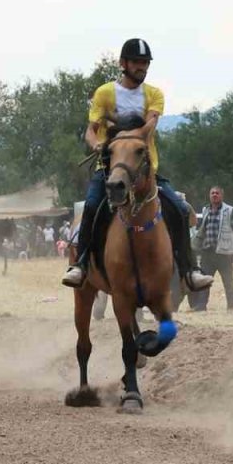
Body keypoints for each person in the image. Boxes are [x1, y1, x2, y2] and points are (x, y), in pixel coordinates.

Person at [62, 38, 214, 292]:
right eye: (137, 63)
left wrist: (124, 136)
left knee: (177, 208)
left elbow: (150, 125)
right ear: (123, 64)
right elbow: (91, 131)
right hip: (110, 169)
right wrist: (98, 145)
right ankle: (80, 265)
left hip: (144, 169)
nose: (141, 67)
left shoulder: (154, 94)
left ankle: (190, 269)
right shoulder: (104, 93)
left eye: (145, 63)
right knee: (91, 206)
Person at [192, 186, 233, 311]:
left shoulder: (230, 211)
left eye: (217, 193)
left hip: (224, 253)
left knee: (228, 281)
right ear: (209, 195)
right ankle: (201, 306)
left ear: (222, 195)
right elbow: (202, 230)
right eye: (212, 193)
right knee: (204, 281)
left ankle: (231, 307)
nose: (214, 195)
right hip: (207, 252)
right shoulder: (206, 210)